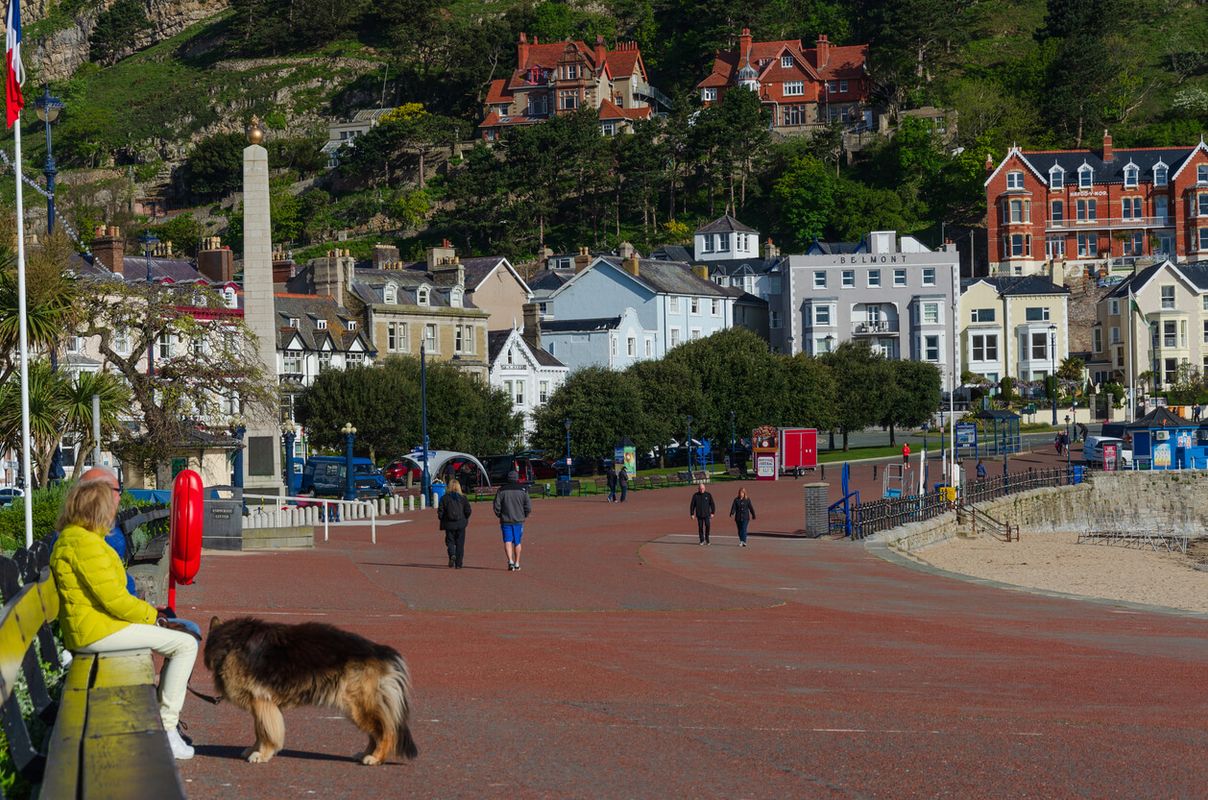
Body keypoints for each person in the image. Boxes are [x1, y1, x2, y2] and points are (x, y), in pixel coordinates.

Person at [49, 478, 199, 760]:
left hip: (92, 628)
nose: (112, 516)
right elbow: (114, 600)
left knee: (180, 640)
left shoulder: (76, 539)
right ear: (97, 512)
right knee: (185, 645)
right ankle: (167, 729)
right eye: (109, 510)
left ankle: (165, 724)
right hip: (97, 633)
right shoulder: (86, 545)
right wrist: (153, 617)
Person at [493, 470, 531, 571]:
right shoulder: (523, 490)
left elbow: (496, 506)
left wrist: (500, 515)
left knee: (507, 540)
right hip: (518, 519)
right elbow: (528, 506)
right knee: (517, 542)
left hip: (506, 519)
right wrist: (524, 515)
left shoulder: (501, 490)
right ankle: (517, 562)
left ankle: (510, 560)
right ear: (517, 478)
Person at [438, 478, 472, 569]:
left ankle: (452, 554)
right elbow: (468, 510)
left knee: (450, 541)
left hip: (449, 524)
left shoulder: (444, 498)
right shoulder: (463, 498)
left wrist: (443, 519)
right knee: (460, 544)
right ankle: (459, 564)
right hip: (461, 523)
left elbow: (440, 512)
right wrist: (465, 518)